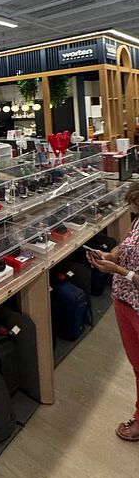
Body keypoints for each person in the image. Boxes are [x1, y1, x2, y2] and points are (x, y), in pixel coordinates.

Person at [88, 182, 139, 441]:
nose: (134, 210)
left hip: (136, 305)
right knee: (137, 365)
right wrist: (110, 256)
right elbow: (127, 244)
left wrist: (118, 271)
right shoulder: (138, 221)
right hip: (124, 300)